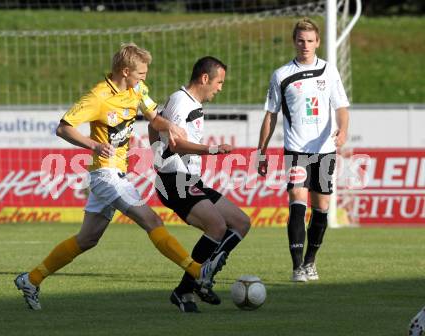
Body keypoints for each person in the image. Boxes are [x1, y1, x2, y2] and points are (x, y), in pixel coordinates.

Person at [14, 43, 226, 311]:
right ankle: (198, 272)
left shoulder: (136, 90)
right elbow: (63, 128)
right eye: (140, 73)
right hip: (105, 174)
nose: (144, 77)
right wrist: (93, 145)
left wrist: (170, 125)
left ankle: (30, 280)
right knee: (151, 220)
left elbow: (153, 118)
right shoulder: (99, 97)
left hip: (116, 173)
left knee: (87, 239)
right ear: (125, 71)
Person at [149, 56, 251, 312]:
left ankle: (193, 283)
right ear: (205, 78)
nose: (220, 88)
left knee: (240, 222)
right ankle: (194, 284)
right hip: (175, 180)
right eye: (219, 82)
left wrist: (154, 152)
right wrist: (213, 149)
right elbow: (176, 143)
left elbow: (155, 123)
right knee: (216, 225)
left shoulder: (188, 102)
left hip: (190, 179)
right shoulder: (182, 102)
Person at [257, 18, 350, 282]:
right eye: (300, 40)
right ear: (294, 41)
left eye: (310, 41)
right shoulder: (282, 75)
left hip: (324, 149)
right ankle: (297, 266)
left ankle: (311, 261)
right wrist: (261, 150)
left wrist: (342, 130)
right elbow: (270, 115)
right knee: (297, 202)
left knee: (321, 207)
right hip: (296, 150)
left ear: (317, 42)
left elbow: (342, 107)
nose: (305, 45)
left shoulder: (329, 71)